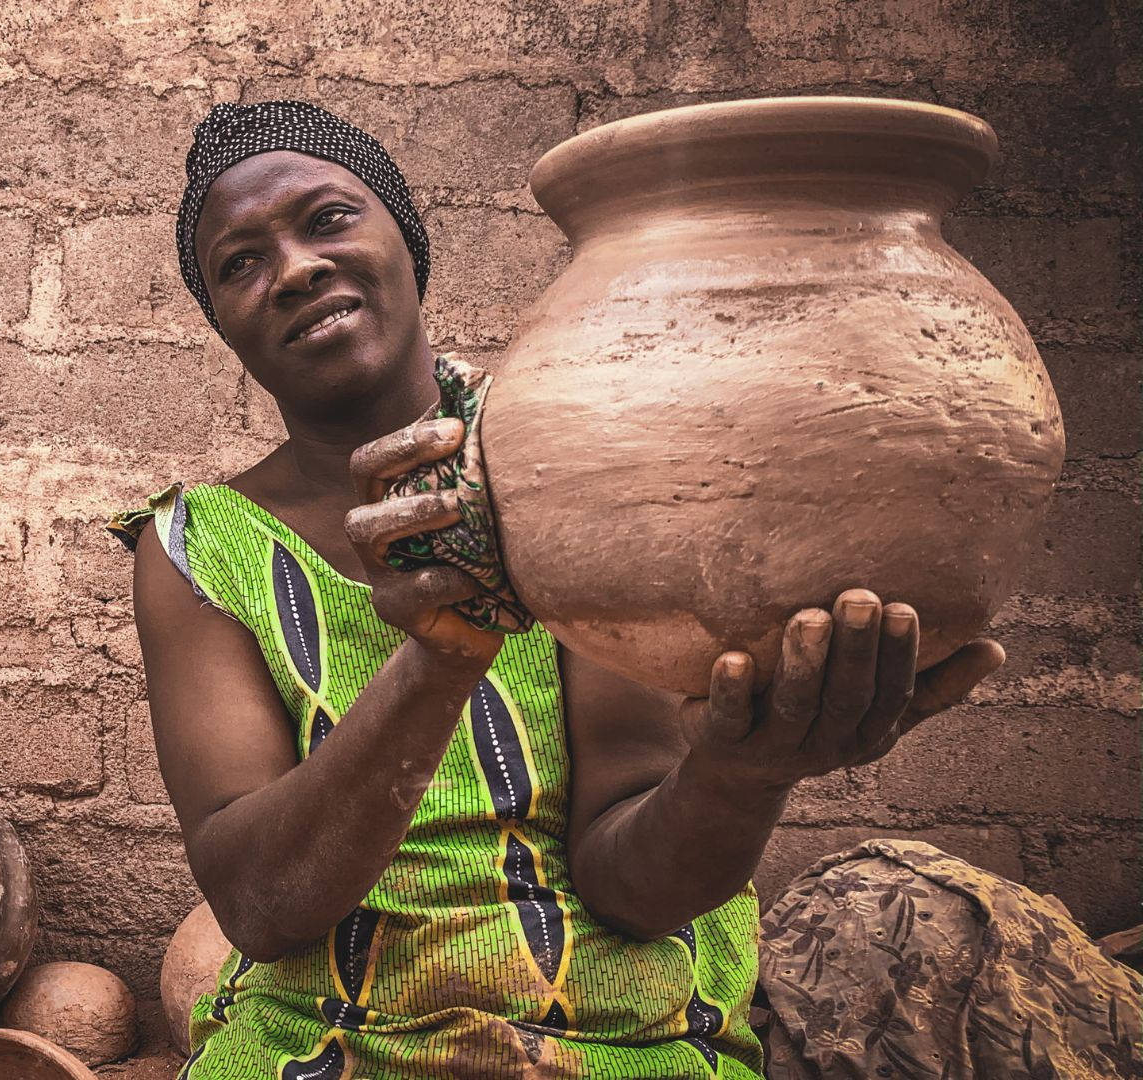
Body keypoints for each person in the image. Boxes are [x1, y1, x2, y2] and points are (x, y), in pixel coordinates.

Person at [109, 101, 1141, 1079]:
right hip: (333, 1048)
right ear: (222, 323)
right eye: (241, 265)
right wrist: (439, 660)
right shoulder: (197, 548)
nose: (293, 269)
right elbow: (259, 903)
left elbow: (630, 881)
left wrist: (740, 776)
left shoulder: (580, 473)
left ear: (404, 237)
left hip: (628, 1045)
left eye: (328, 218)